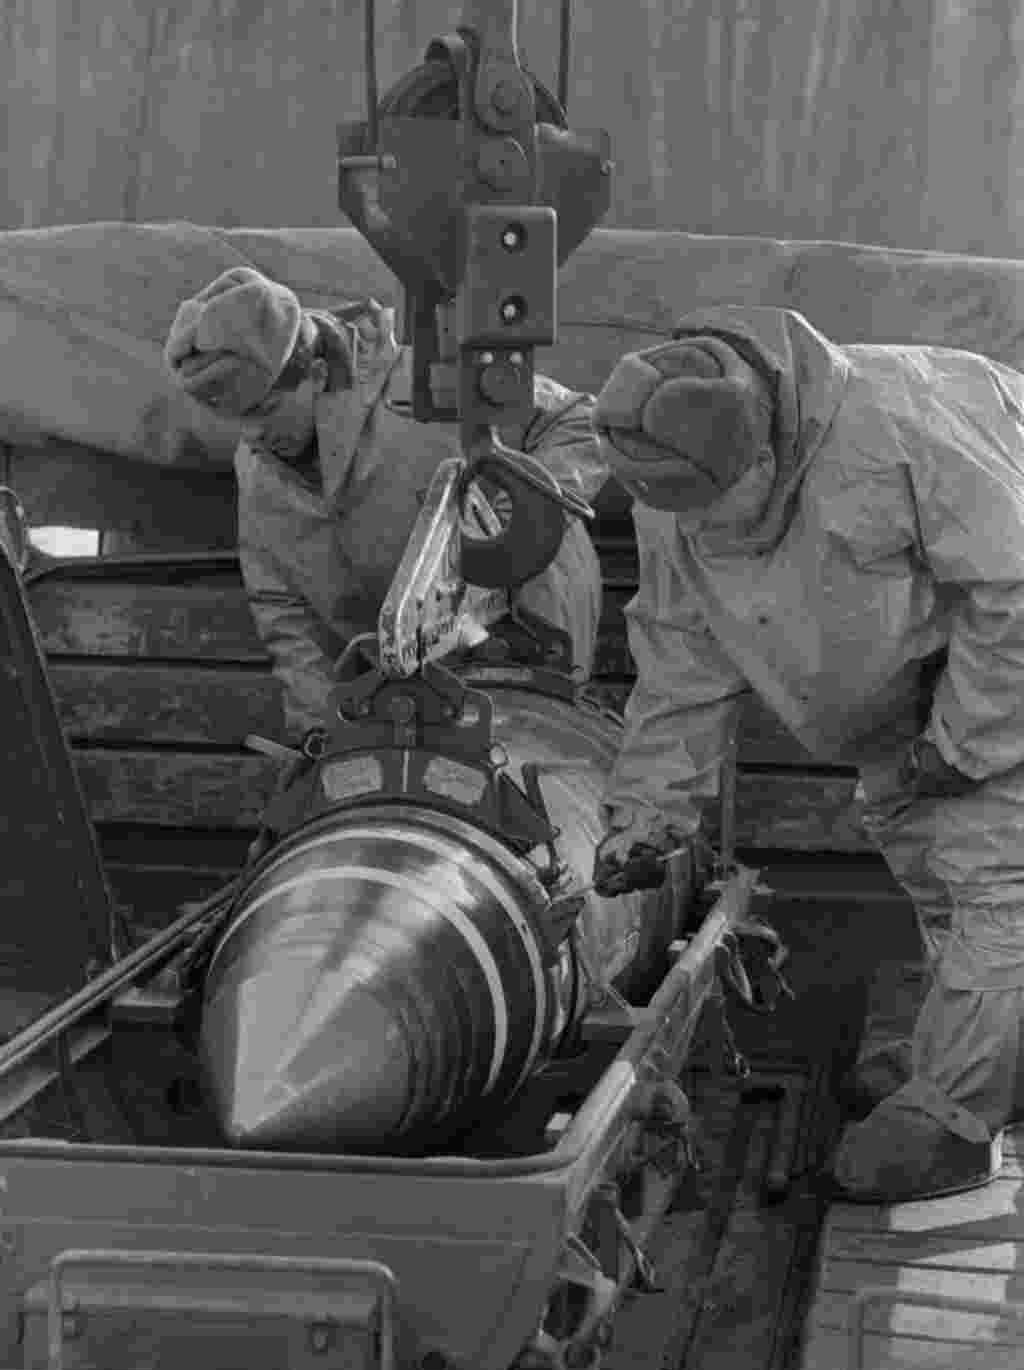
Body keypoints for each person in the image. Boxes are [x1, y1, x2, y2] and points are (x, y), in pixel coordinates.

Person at [587, 303, 1024, 1204]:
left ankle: (955, 1121)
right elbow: (681, 652)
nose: (701, 530)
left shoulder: (896, 427)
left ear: (762, 452)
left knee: (995, 881)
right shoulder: (671, 488)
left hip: (1000, 671)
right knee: (937, 880)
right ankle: (984, 1048)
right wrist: (648, 815)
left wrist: (964, 742)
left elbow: (1015, 585)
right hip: (904, 701)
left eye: (717, 507)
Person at [163, 267, 605, 743]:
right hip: (405, 697)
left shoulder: (427, 390)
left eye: (265, 412)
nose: (252, 436)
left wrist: (518, 520)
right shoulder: (256, 468)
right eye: (237, 421)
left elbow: (578, 421)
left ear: (314, 372)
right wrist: (318, 731)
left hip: (524, 665)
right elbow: (284, 609)